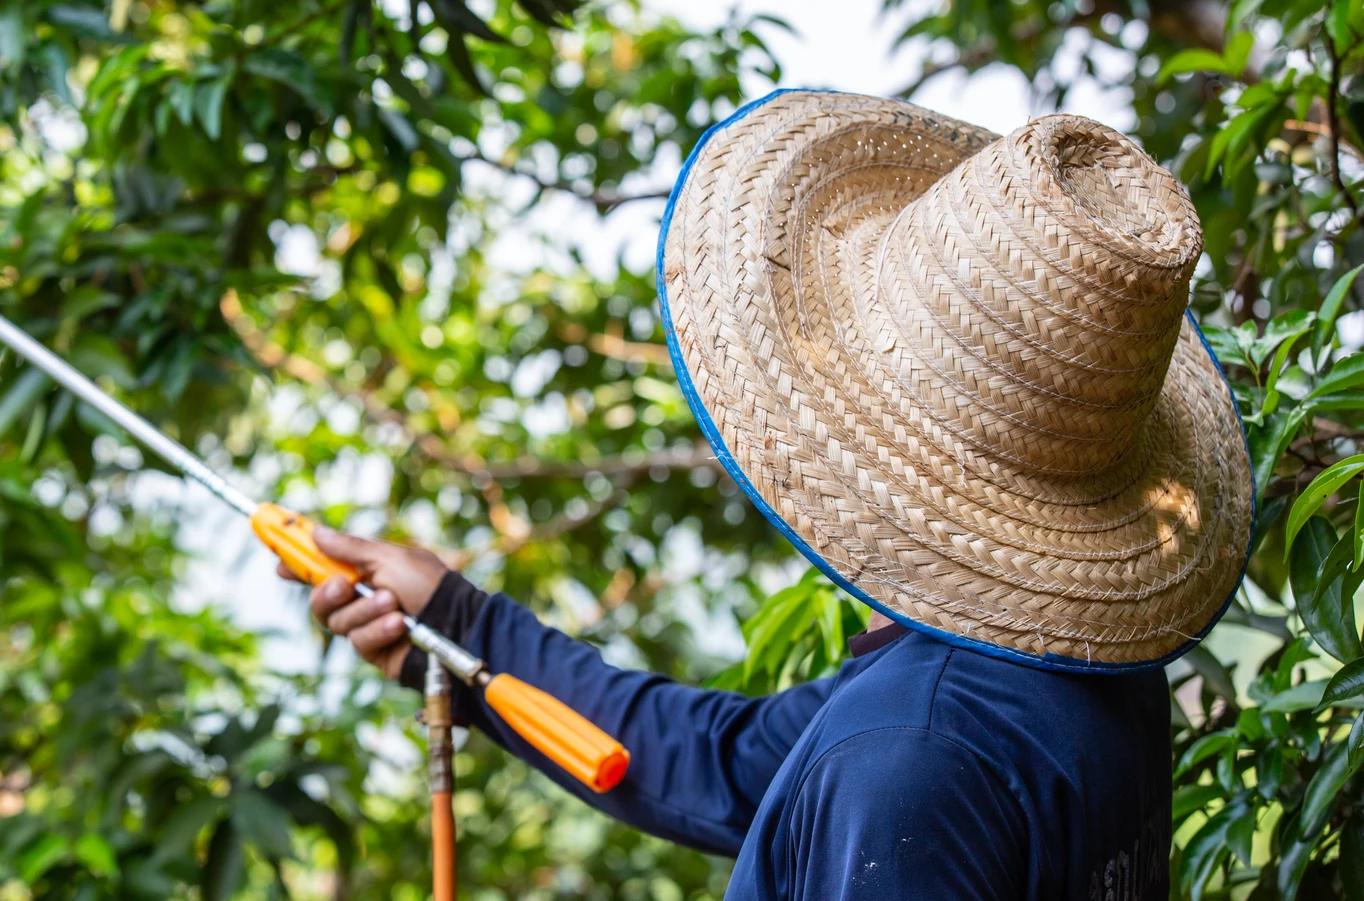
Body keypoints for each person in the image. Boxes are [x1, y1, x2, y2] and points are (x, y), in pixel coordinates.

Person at [286, 91, 1253, 900]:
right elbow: (732, 763)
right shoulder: (1071, 667)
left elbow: (856, 778)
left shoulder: (908, 756)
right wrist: (457, 624)